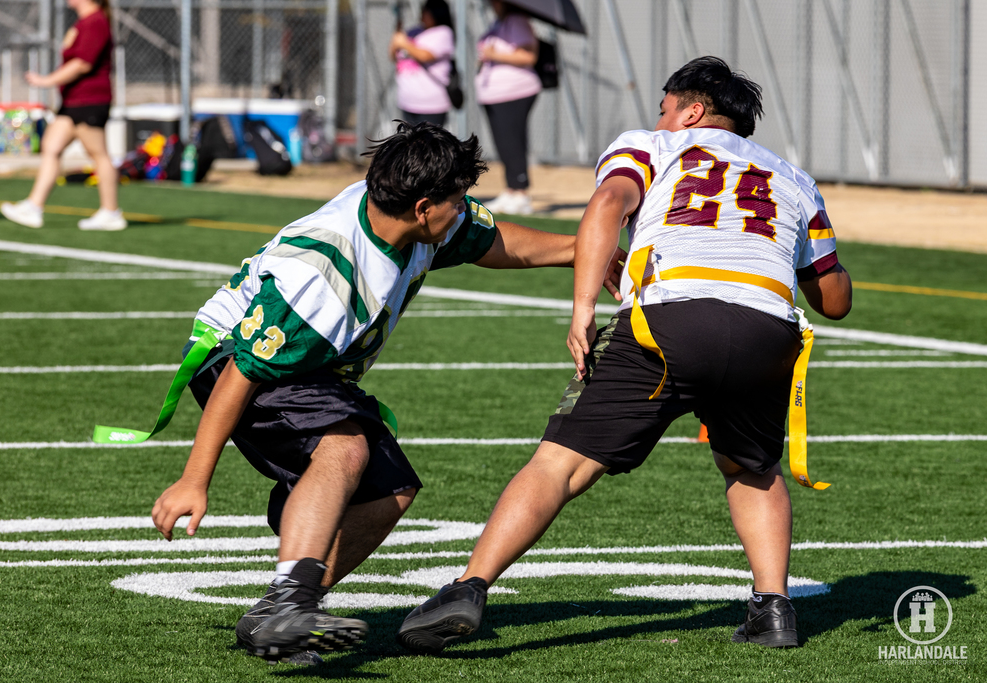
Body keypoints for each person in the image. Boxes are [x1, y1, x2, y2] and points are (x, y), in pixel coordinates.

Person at [396, 56, 853, 653]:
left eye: (665, 107)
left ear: (691, 110)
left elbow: (610, 205)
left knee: (561, 462)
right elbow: (834, 299)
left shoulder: (652, 145)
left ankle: (467, 589)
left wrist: (583, 305)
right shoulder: (793, 177)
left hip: (672, 316)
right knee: (752, 467)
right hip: (768, 329)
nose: (659, 117)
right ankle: (774, 609)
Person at [150, 122, 624, 664]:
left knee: (388, 492)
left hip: (309, 366)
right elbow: (242, 373)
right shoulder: (324, 273)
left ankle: (277, 614)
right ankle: (290, 600)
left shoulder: (410, 218)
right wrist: (195, 478)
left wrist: (583, 251)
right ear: (423, 207)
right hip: (233, 357)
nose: (465, 208)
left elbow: (494, 241)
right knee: (345, 446)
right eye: (458, 199)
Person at [0, 0, 125, 231]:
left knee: (98, 154)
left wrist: (46, 81)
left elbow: (82, 64)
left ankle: (111, 212)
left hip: (90, 101)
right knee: (51, 146)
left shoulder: (95, 21)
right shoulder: (84, 22)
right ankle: (33, 207)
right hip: (73, 102)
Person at [477, 0, 541, 216]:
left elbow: (528, 55)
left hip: (515, 92)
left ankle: (521, 193)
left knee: (513, 142)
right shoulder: (499, 23)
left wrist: (494, 54)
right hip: (494, 95)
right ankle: (511, 189)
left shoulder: (517, 21)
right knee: (503, 143)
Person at [390, 0, 455, 127]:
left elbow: (424, 56)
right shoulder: (414, 31)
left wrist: (404, 43)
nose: (422, 14)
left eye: (426, 11)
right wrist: (396, 34)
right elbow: (394, 55)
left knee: (427, 145)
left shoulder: (443, 32)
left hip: (431, 105)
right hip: (407, 101)